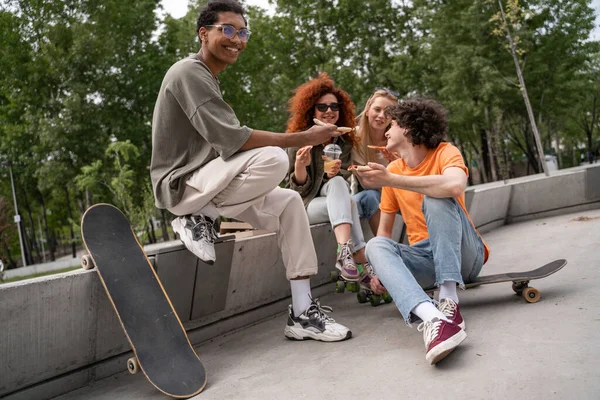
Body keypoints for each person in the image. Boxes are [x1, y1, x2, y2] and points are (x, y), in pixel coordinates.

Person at [150, 0, 352, 342]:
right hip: (183, 187)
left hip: (210, 186)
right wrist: (305, 136)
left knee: (289, 202)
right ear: (203, 33)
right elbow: (233, 138)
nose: (237, 39)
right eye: (227, 29)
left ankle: (302, 313)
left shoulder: (208, 78)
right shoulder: (189, 72)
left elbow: (226, 144)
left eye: (243, 32)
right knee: (274, 158)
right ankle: (197, 218)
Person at [356, 97, 490, 364]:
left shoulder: (444, 152)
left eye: (392, 123)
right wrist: (379, 269)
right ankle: (434, 318)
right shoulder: (393, 169)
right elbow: (383, 233)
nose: (387, 129)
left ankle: (449, 300)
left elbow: (454, 186)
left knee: (436, 197)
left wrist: (392, 179)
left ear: (408, 128)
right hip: (425, 261)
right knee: (374, 247)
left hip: (464, 253)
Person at [285, 73, 374, 285]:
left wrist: (331, 174)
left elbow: (341, 180)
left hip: (333, 202)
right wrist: (300, 167)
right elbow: (297, 191)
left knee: (341, 187)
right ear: (311, 110)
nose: (329, 112)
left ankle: (345, 252)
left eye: (334, 107)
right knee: (349, 200)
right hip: (304, 206)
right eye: (322, 107)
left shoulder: (343, 142)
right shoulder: (299, 138)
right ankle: (359, 257)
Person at [351, 88, 399, 235]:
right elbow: (368, 182)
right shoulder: (354, 137)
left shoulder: (397, 139)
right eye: (377, 109)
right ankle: (386, 250)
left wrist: (397, 164)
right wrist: (394, 176)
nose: (381, 116)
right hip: (368, 198)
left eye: (388, 112)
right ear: (367, 110)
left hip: (397, 195)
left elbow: (411, 175)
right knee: (371, 195)